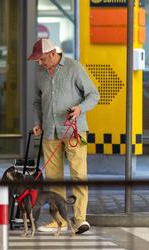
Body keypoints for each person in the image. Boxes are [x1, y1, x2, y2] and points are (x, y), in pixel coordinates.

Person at [28, 38, 100, 234]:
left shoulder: (74, 68)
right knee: (53, 178)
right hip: (50, 131)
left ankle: (80, 219)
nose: (39, 63)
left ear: (52, 54)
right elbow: (36, 102)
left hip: (75, 130)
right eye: (37, 60)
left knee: (78, 174)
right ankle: (58, 220)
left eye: (41, 59)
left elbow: (94, 95)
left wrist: (79, 109)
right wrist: (37, 122)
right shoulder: (40, 73)